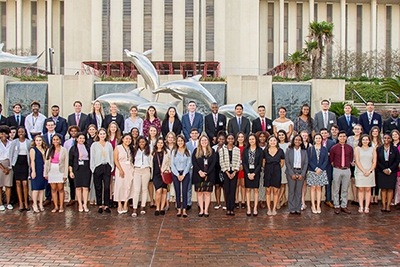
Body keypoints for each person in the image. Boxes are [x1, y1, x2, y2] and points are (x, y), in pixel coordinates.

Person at [90, 128, 114, 213]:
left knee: (107, 187)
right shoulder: (94, 145)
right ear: (98, 135)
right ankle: (100, 204)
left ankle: (106, 205)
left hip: (106, 166)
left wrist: (111, 166)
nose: (102, 135)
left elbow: (111, 155)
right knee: (98, 186)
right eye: (101, 134)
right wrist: (93, 168)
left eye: (104, 134)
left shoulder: (109, 144)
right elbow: (92, 157)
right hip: (98, 166)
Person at [192, 135, 216, 217]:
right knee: (200, 193)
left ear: (208, 141)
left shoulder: (212, 151)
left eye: (205, 140)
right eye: (202, 140)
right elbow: (194, 162)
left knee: (207, 193)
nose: (204, 142)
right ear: (200, 142)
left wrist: (207, 172)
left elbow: (214, 163)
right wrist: (200, 171)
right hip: (198, 175)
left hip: (209, 175)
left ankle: (206, 210)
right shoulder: (196, 151)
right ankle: (201, 210)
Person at [330, 130, 354, 214]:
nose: (342, 138)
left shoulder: (350, 148)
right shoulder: (334, 148)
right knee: (336, 188)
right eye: (340, 136)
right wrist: (337, 167)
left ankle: (344, 205)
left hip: (347, 170)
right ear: (338, 137)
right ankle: (336, 205)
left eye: (344, 136)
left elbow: (351, 159)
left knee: (345, 189)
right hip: (337, 169)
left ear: (346, 137)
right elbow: (331, 160)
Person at [44, 134, 69, 213]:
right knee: (53, 189)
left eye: (57, 139)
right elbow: (46, 163)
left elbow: (66, 162)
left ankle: (61, 206)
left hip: (60, 171)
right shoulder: (49, 150)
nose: (55, 141)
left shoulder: (64, 150)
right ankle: (55, 206)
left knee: (61, 189)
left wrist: (65, 174)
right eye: (54, 139)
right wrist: (46, 173)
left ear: (60, 140)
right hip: (52, 171)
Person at [9, 127, 31, 212]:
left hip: (25, 163)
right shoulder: (14, 142)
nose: (21, 133)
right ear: (17, 133)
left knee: (25, 183)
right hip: (17, 163)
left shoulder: (28, 142)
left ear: (25, 132)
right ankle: (20, 203)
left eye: (22, 131)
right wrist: (11, 165)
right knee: (18, 183)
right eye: (19, 132)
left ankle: (26, 202)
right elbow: (10, 153)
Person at [68, 132, 92, 212]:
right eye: (80, 138)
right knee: (78, 187)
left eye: (83, 138)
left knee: (85, 187)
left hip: (86, 168)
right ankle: (80, 204)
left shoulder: (88, 147)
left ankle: (85, 204)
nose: (81, 140)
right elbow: (70, 162)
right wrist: (71, 172)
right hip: (77, 169)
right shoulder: (73, 148)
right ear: (77, 139)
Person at [376, 133, 400, 212]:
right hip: (381, 171)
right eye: (384, 138)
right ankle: (383, 205)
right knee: (383, 189)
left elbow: (397, 161)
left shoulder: (394, 149)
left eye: (388, 138)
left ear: (391, 139)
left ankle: (388, 206)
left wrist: (390, 169)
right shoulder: (379, 149)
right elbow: (377, 161)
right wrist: (383, 169)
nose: (386, 140)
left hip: (391, 171)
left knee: (390, 189)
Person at [285, 134, 308, 214]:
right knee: (291, 191)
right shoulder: (289, 150)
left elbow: (305, 163)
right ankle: (292, 208)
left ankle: (298, 207)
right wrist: (292, 174)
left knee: (299, 191)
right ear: (293, 141)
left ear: (301, 141)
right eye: (296, 140)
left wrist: (302, 174)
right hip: (291, 172)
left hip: (301, 172)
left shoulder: (304, 151)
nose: (297, 141)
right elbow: (287, 163)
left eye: (299, 140)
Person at [354, 134, 376, 213]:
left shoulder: (372, 149)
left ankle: (367, 206)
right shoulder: (357, 149)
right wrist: (363, 171)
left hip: (370, 172)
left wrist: (370, 171)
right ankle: (361, 206)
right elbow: (357, 161)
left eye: (367, 140)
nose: (365, 141)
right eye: (363, 140)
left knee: (368, 189)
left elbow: (374, 162)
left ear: (369, 141)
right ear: (361, 141)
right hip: (360, 171)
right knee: (360, 189)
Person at [306, 134, 329, 214]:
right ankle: (313, 205)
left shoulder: (324, 149)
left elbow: (326, 160)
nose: (318, 139)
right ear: (314, 139)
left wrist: (321, 168)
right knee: (313, 188)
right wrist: (315, 168)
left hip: (321, 171)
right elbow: (308, 160)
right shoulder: (310, 149)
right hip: (313, 171)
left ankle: (318, 205)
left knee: (319, 188)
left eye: (320, 138)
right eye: (316, 138)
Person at [113, 133, 135, 214]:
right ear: (122, 139)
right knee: (119, 185)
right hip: (120, 168)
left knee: (128, 186)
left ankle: (126, 203)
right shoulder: (118, 148)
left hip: (129, 168)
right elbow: (115, 160)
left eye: (129, 139)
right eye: (126, 139)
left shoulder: (131, 148)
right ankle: (119, 203)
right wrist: (120, 170)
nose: (128, 140)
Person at [219, 133, 240, 216]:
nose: (230, 140)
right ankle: (228, 208)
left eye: (232, 139)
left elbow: (238, 161)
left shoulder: (237, 150)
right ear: (226, 140)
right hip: (226, 172)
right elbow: (221, 161)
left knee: (233, 190)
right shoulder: (222, 150)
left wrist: (234, 172)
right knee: (227, 190)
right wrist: (227, 172)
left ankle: (232, 208)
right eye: (229, 139)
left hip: (234, 172)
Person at [242, 134, 263, 216]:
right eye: (250, 139)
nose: (251, 141)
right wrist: (248, 173)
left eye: (253, 139)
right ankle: (248, 208)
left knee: (256, 190)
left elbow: (260, 163)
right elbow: (244, 162)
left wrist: (254, 173)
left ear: (256, 140)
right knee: (247, 190)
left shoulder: (260, 150)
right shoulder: (245, 149)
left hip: (256, 172)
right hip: (247, 172)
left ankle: (255, 208)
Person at [171, 134, 192, 218]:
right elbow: (172, 164)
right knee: (177, 191)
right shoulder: (174, 151)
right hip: (176, 173)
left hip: (185, 173)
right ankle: (179, 208)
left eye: (181, 141)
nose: (180, 142)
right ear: (176, 142)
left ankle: (184, 209)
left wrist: (183, 174)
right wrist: (177, 174)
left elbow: (189, 164)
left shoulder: (188, 152)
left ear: (184, 142)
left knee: (185, 191)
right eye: (178, 141)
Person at [263, 135, 285, 216]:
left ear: (277, 142)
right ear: (268, 142)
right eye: (271, 140)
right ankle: (269, 209)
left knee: (275, 191)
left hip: (276, 171)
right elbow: (263, 163)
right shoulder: (265, 151)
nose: (272, 142)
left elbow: (282, 163)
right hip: (267, 171)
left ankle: (274, 208)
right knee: (268, 191)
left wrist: (276, 168)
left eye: (274, 140)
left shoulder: (280, 151)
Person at [150, 137, 171, 216]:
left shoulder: (167, 152)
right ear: (156, 144)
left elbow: (169, 162)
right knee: (158, 191)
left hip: (164, 174)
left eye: (161, 143)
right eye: (158, 143)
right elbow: (150, 164)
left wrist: (167, 170)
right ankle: (157, 207)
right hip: (156, 174)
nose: (160, 144)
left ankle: (162, 208)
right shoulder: (153, 153)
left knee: (164, 191)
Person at [132, 136, 151, 217]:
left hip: (146, 170)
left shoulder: (149, 151)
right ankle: (135, 208)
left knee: (144, 189)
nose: (142, 143)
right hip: (137, 170)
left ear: (146, 142)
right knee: (136, 190)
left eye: (143, 142)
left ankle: (143, 206)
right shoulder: (134, 150)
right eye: (140, 142)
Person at [29, 135, 47, 212]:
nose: (38, 142)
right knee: (35, 188)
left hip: (43, 169)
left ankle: (40, 203)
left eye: (40, 140)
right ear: (34, 141)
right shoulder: (33, 149)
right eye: (37, 140)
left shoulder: (44, 149)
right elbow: (32, 161)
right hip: (36, 169)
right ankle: (35, 204)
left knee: (41, 189)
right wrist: (33, 171)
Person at [347, 124, 363, 206]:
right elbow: (348, 150)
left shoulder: (363, 139)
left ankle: (360, 198)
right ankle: (355, 198)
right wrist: (351, 161)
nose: (356, 130)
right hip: (352, 163)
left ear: (361, 130)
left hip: (361, 162)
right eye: (355, 129)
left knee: (359, 180)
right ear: (353, 130)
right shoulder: (349, 139)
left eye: (358, 129)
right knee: (353, 180)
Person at [320, 128, 336, 208]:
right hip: (319, 165)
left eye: (325, 133)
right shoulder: (317, 141)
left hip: (329, 165)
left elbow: (333, 154)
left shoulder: (332, 143)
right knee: (318, 184)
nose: (323, 135)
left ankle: (328, 200)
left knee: (328, 182)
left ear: (328, 134)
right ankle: (318, 200)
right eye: (322, 133)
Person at [185, 128, 200, 210]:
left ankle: (199, 202)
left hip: (199, 168)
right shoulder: (187, 145)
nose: (194, 135)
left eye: (196, 133)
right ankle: (188, 202)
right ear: (190, 135)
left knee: (199, 186)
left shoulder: (201, 144)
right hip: (190, 168)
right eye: (192, 133)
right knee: (188, 186)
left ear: (198, 134)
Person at [212, 132, 226, 210]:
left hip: (224, 169)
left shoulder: (226, 147)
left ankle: (225, 203)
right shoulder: (213, 148)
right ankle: (218, 203)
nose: (221, 140)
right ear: (217, 139)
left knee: (224, 186)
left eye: (223, 139)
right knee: (217, 186)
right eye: (220, 139)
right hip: (215, 169)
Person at [0, 126, 13, 211]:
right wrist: (3, 168)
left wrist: (9, 167)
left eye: (5, 133)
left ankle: (8, 203)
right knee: (0, 186)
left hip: (9, 164)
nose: (3, 135)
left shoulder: (11, 143)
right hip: (0, 164)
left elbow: (13, 155)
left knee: (8, 185)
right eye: (1, 133)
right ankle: (1, 204)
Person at [256, 131, 269, 209]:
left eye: (264, 137)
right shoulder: (256, 146)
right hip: (257, 167)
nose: (262, 138)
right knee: (257, 185)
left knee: (263, 185)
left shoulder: (268, 146)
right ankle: (257, 200)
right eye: (260, 137)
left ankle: (262, 200)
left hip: (267, 168)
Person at [277, 129, 289, 210]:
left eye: (282, 135)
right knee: (279, 184)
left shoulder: (288, 145)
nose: (281, 136)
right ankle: (284, 198)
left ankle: (278, 201)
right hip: (277, 166)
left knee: (283, 183)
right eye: (279, 135)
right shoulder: (276, 144)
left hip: (285, 166)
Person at [370, 125, 382, 204]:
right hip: (370, 162)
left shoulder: (381, 142)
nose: (375, 133)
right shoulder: (369, 141)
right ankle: (371, 197)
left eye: (376, 131)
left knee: (377, 180)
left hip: (379, 163)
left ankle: (376, 196)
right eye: (373, 131)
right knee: (371, 180)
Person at [235, 132, 247, 209]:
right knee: (236, 185)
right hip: (236, 168)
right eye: (239, 137)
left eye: (242, 137)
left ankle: (243, 201)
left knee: (243, 185)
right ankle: (236, 201)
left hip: (244, 168)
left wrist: (243, 165)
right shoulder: (234, 147)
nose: (240, 138)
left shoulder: (246, 148)